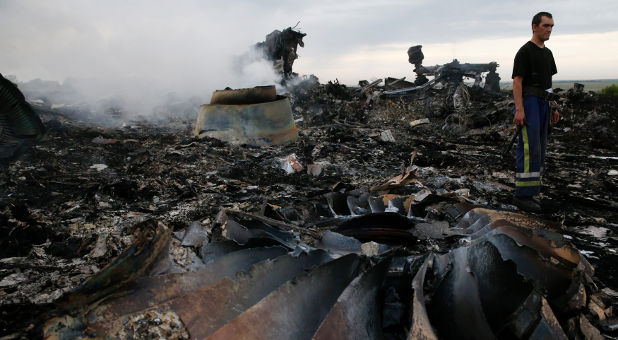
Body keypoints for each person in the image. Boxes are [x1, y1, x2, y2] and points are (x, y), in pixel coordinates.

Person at [511, 12, 561, 212]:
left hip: (543, 103)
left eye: (551, 26)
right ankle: (522, 196)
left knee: (540, 147)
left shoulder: (547, 54)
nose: (549, 29)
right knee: (528, 147)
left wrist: (554, 106)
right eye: (546, 25)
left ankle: (533, 191)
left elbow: (548, 84)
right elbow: (517, 82)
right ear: (534, 26)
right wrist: (519, 110)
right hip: (529, 102)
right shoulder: (525, 51)